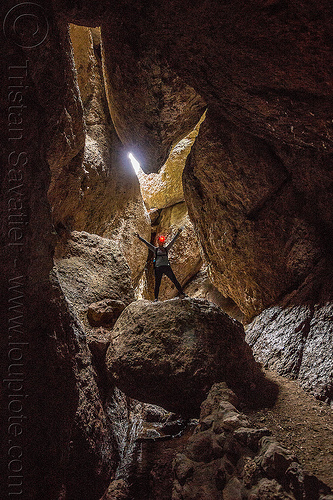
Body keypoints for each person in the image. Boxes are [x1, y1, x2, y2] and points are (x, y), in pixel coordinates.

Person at [135, 228, 187, 301]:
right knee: (157, 283)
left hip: (166, 267)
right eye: (160, 241)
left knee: (174, 280)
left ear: (163, 243)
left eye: (162, 241)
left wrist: (178, 233)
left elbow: (173, 241)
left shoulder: (166, 249)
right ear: (158, 242)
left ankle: (182, 293)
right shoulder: (155, 249)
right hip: (158, 268)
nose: (161, 243)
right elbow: (147, 244)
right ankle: (156, 298)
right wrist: (139, 237)